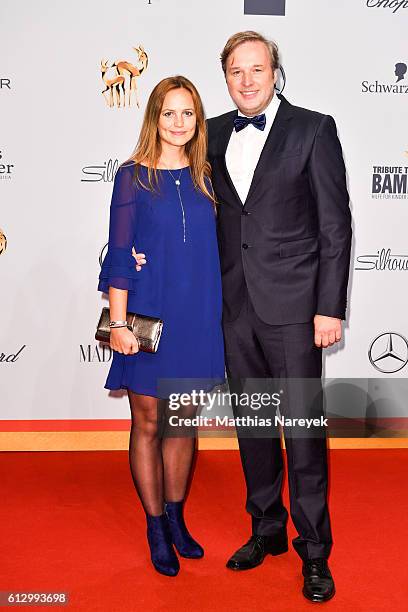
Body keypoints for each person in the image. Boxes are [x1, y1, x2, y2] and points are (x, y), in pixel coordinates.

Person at [98, 75, 225, 577]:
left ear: (198, 120)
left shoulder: (208, 175)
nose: (178, 123)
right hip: (150, 314)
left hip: (198, 317)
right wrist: (119, 323)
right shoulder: (132, 176)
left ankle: (176, 519)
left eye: (188, 113)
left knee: (182, 425)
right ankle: (155, 526)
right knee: (149, 424)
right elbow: (121, 253)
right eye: (169, 113)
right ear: (154, 116)